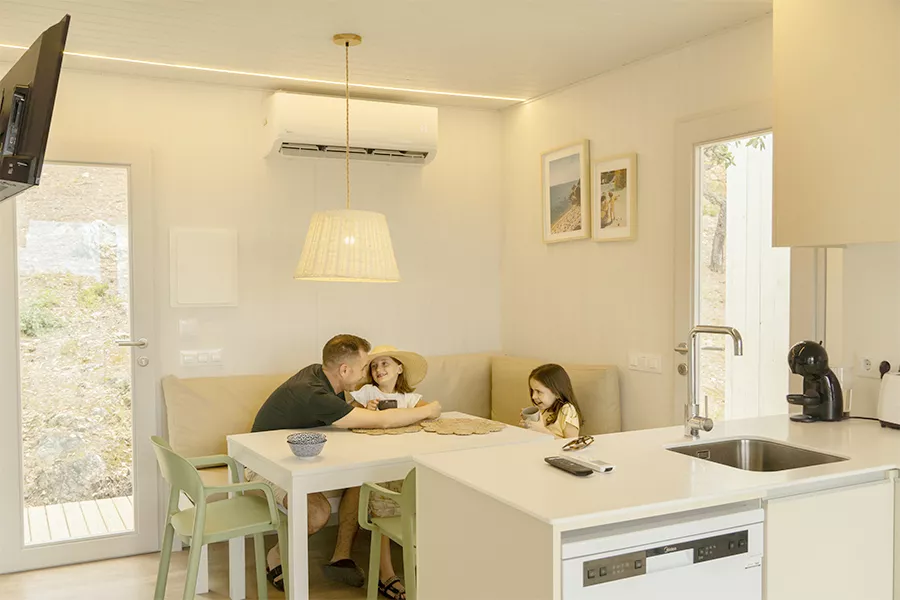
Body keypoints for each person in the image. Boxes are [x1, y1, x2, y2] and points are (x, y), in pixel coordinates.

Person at [248, 335, 442, 592]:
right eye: (364, 368)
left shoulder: (321, 375)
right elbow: (383, 422)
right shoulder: (314, 392)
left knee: (361, 479)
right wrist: (429, 410)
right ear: (344, 370)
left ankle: (343, 558)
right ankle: (276, 556)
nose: (367, 373)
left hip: (296, 457)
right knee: (317, 513)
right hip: (263, 465)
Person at [348, 346, 431, 599]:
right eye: (374, 366)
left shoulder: (410, 399)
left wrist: (408, 414)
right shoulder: (367, 394)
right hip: (377, 461)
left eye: (385, 364)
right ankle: (386, 573)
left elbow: (433, 411)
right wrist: (367, 410)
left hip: (405, 461)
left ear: (399, 368)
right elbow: (346, 410)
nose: (379, 370)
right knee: (383, 502)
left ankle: (424, 565)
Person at [519, 363, 583, 439]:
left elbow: (572, 444)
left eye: (538, 392)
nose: (533, 396)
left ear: (556, 393)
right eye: (532, 391)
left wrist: (542, 430)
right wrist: (529, 425)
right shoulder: (543, 409)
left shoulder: (567, 410)